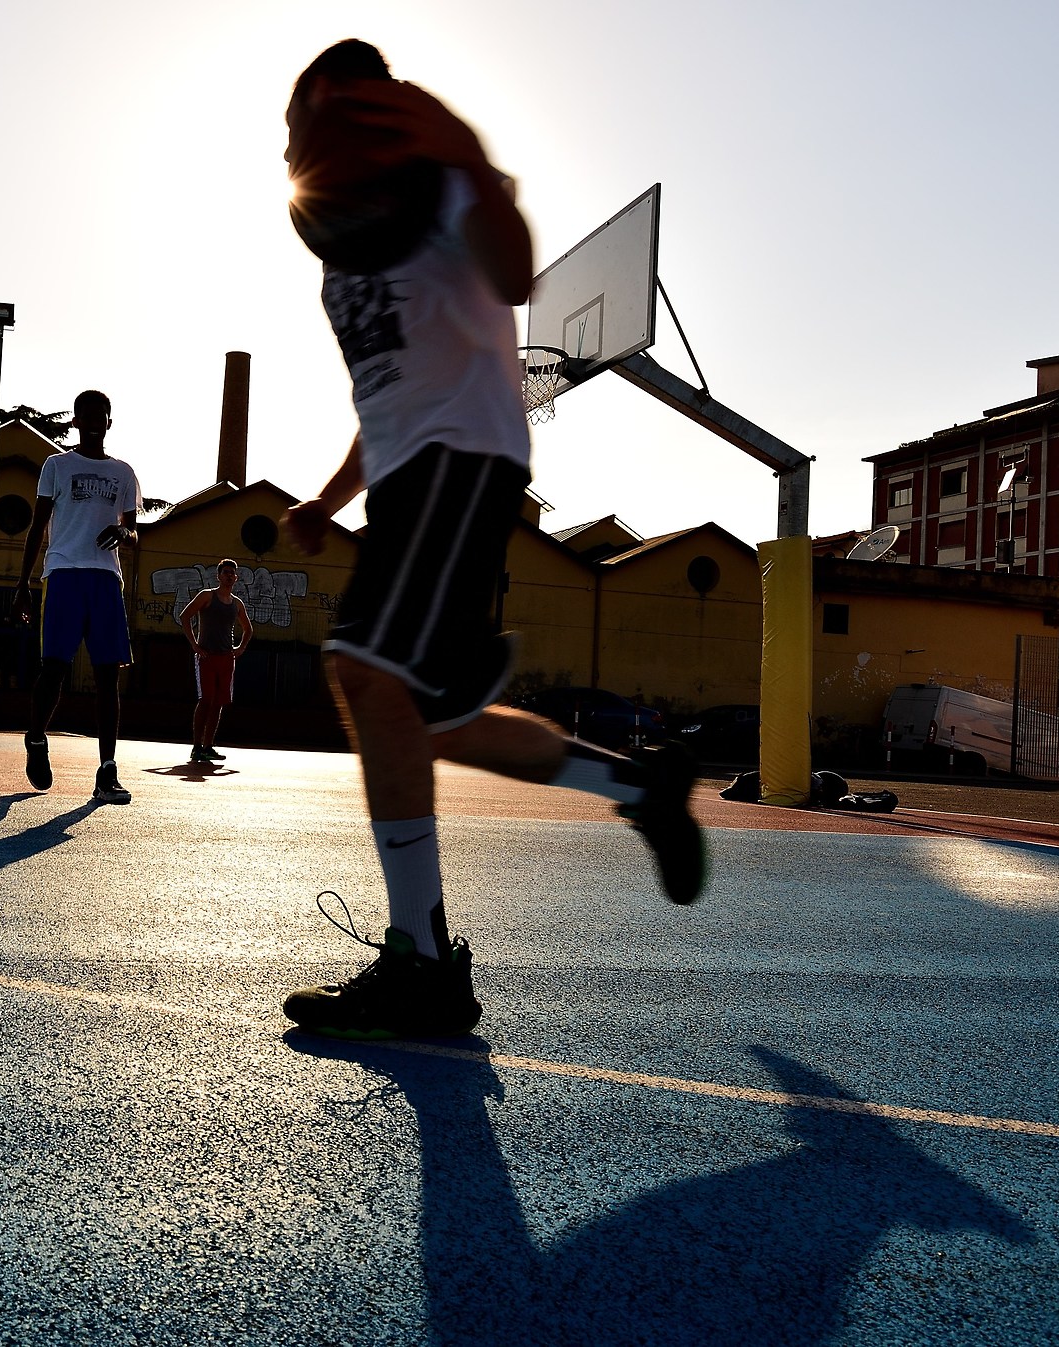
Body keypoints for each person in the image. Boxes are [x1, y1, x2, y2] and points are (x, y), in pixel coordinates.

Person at [276, 40, 705, 1041]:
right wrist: (329, 501)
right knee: (428, 724)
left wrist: (466, 150)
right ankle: (640, 785)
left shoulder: (444, 187)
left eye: (315, 120)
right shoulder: (344, 250)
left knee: (366, 669)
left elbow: (513, 277)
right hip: (408, 478)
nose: (298, 145)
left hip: (464, 460)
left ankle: (423, 968)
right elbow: (384, 398)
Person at [9, 390, 142, 805]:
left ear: (109, 422)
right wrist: (22, 585)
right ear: (76, 421)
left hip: (105, 579)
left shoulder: (123, 473)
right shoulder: (57, 465)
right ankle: (36, 738)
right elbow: (38, 527)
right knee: (54, 668)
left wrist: (123, 531)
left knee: (107, 677)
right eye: (87, 415)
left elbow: (133, 532)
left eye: (102, 415)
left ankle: (107, 772)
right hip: (64, 574)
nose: (95, 421)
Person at [178, 559, 253, 763]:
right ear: (218, 576)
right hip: (207, 656)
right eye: (225, 572)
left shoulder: (237, 603)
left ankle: (208, 746)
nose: (229, 576)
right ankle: (196, 746)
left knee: (218, 703)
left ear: (236, 578)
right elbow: (185, 616)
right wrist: (194, 644)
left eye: (232, 573)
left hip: (226, 658)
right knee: (206, 700)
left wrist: (241, 648)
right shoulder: (207, 596)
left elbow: (248, 629)